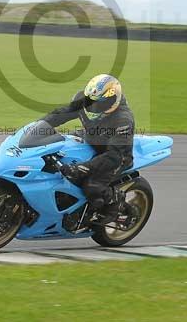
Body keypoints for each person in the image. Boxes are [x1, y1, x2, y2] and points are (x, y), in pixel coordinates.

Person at [42, 73, 134, 225]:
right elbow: (61, 114)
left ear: (113, 99)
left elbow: (113, 156)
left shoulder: (123, 120)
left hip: (115, 155)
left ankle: (115, 202)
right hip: (92, 139)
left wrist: (81, 168)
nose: (94, 106)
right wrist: (35, 127)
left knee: (91, 186)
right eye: (92, 101)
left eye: (100, 103)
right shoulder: (88, 100)